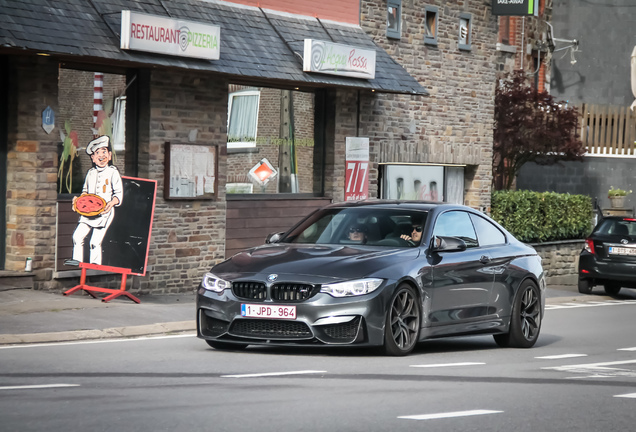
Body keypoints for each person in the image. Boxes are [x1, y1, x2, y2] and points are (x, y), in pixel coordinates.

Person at [66, 135, 123, 266]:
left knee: (94, 242)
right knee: (77, 237)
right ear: (93, 158)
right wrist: (78, 201)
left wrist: (111, 203)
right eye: (97, 153)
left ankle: (95, 266)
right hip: (88, 214)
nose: (101, 156)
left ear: (109, 155)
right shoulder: (90, 173)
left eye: (104, 152)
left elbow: (118, 194)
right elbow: (85, 192)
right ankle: (77, 261)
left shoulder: (113, 172)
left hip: (105, 213)